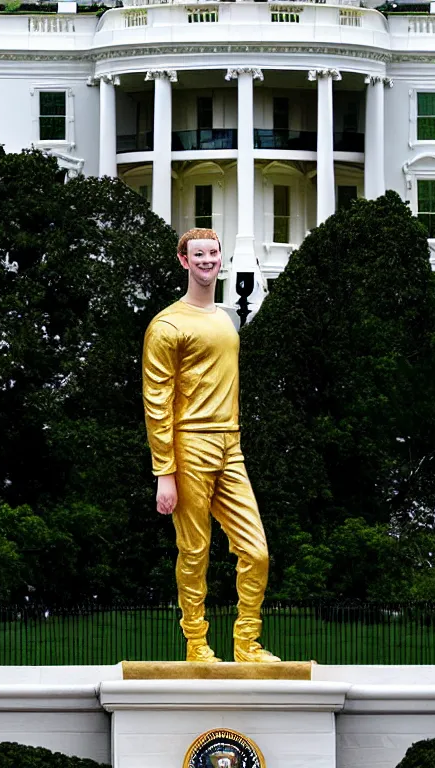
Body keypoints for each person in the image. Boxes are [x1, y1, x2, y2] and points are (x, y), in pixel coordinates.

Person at [142, 228, 280, 663]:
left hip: (230, 445)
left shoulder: (224, 319)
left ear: (221, 259)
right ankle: (197, 643)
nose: (207, 260)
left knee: (256, 551)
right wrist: (165, 472)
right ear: (184, 261)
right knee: (194, 551)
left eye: (213, 253)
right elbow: (156, 400)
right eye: (198, 254)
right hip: (189, 446)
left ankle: (247, 643)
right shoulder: (166, 325)